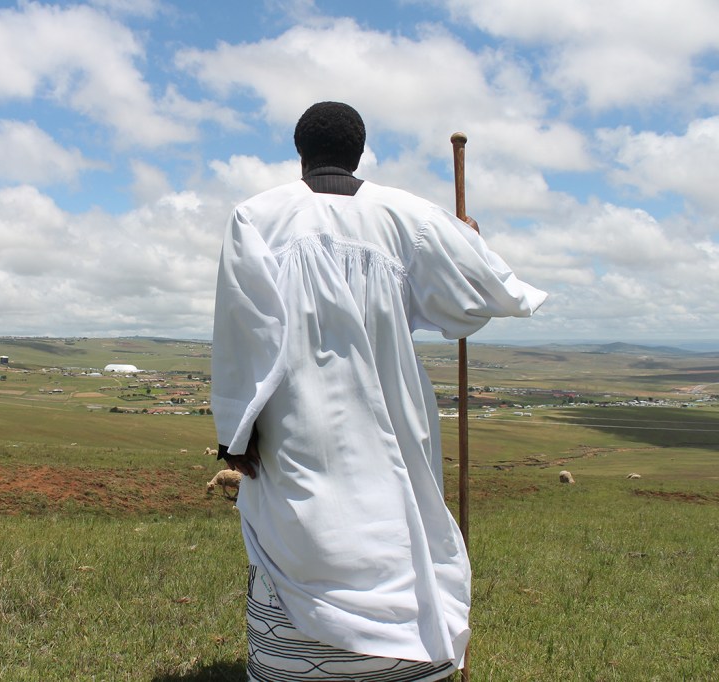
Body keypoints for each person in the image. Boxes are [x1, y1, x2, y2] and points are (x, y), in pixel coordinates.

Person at [211, 101, 547, 681]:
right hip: (392, 414)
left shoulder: (255, 216)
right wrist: (467, 240)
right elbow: (485, 294)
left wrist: (236, 432)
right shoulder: (409, 215)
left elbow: (244, 329)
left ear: (301, 153)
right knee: (399, 512)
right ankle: (405, 660)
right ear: (359, 151)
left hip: (295, 423)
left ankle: (300, 663)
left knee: (300, 527)